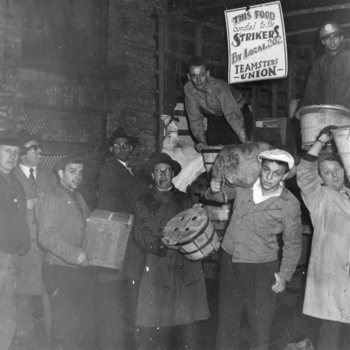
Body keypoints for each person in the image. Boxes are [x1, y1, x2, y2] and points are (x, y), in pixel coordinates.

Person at [205, 149, 302, 350]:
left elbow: (293, 243)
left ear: (284, 175)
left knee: (260, 328)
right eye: (266, 170)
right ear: (260, 168)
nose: (268, 177)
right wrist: (214, 188)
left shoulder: (289, 203)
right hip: (230, 261)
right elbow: (219, 197)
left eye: (276, 173)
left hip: (261, 268)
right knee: (227, 324)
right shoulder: (245, 185)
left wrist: (284, 276)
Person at [132, 152, 209, 350]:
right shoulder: (142, 203)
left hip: (186, 272)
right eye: (158, 172)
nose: (163, 175)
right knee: (158, 333)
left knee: (187, 335)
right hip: (158, 271)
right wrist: (161, 243)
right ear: (152, 175)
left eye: (166, 171)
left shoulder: (186, 201)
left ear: (172, 173)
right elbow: (141, 234)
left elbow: (198, 227)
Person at [297, 126, 350, 350]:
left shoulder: (348, 195)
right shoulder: (318, 198)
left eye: (337, 168)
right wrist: (320, 141)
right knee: (331, 328)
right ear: (321, 178)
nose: (334, 175)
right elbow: (304, 174)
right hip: (332, 275)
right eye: (327, 172)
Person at [37, 155, 97, 350]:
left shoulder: (78, 197)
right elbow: (46, 237)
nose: (78, 176)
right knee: (64, 328)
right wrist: (74, 254)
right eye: (72, 171)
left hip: (78, 271)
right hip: (60, 271)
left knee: (80, 327)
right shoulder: (51, 197)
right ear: (61, 173)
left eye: (80, 172)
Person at [96, 127, 146, 349]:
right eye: (117, 145)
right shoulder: (111, 168)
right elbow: (134, 196)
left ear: (132, 148)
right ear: (110, 149)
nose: (122, 148)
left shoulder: (128, 169)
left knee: (124, 295)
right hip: (118, 236)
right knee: (118, 297)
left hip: (125, 235)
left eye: (126, 145)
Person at [13, 132, 56, 339]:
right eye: (34, 148)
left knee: (49, 301)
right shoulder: (9, 176)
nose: (40, 151)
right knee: (23, 302)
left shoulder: (50, 175)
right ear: (22, 153)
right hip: (22, 252)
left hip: (47, 250)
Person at [0, 131, 30, 350]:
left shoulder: (17, 184)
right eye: (6, 151)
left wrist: (25, 241)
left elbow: (20, 218)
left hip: (10, 256)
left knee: (7, 308)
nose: (11, 156)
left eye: (15, 152)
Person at [184, 56, 252, 151]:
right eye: (194, 76)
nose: (198, 80)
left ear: (207, 74)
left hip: (239, 113)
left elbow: (232, 115)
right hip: (216, 117)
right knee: (212, 149)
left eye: (202, 75)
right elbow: (195, 119)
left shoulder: (220, 88)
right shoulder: (189, 90)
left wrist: (244, 141)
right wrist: (202, 141)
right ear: (189, 77)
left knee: (237, 150)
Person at [299, 21, 350, 109]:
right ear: (323, 42)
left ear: (341, 38)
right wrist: (302, 110)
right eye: (327, 38)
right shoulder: (319, 63)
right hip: (325, 114)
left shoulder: (348, 57)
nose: (332, 41)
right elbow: (311, 91)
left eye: (335, 36)